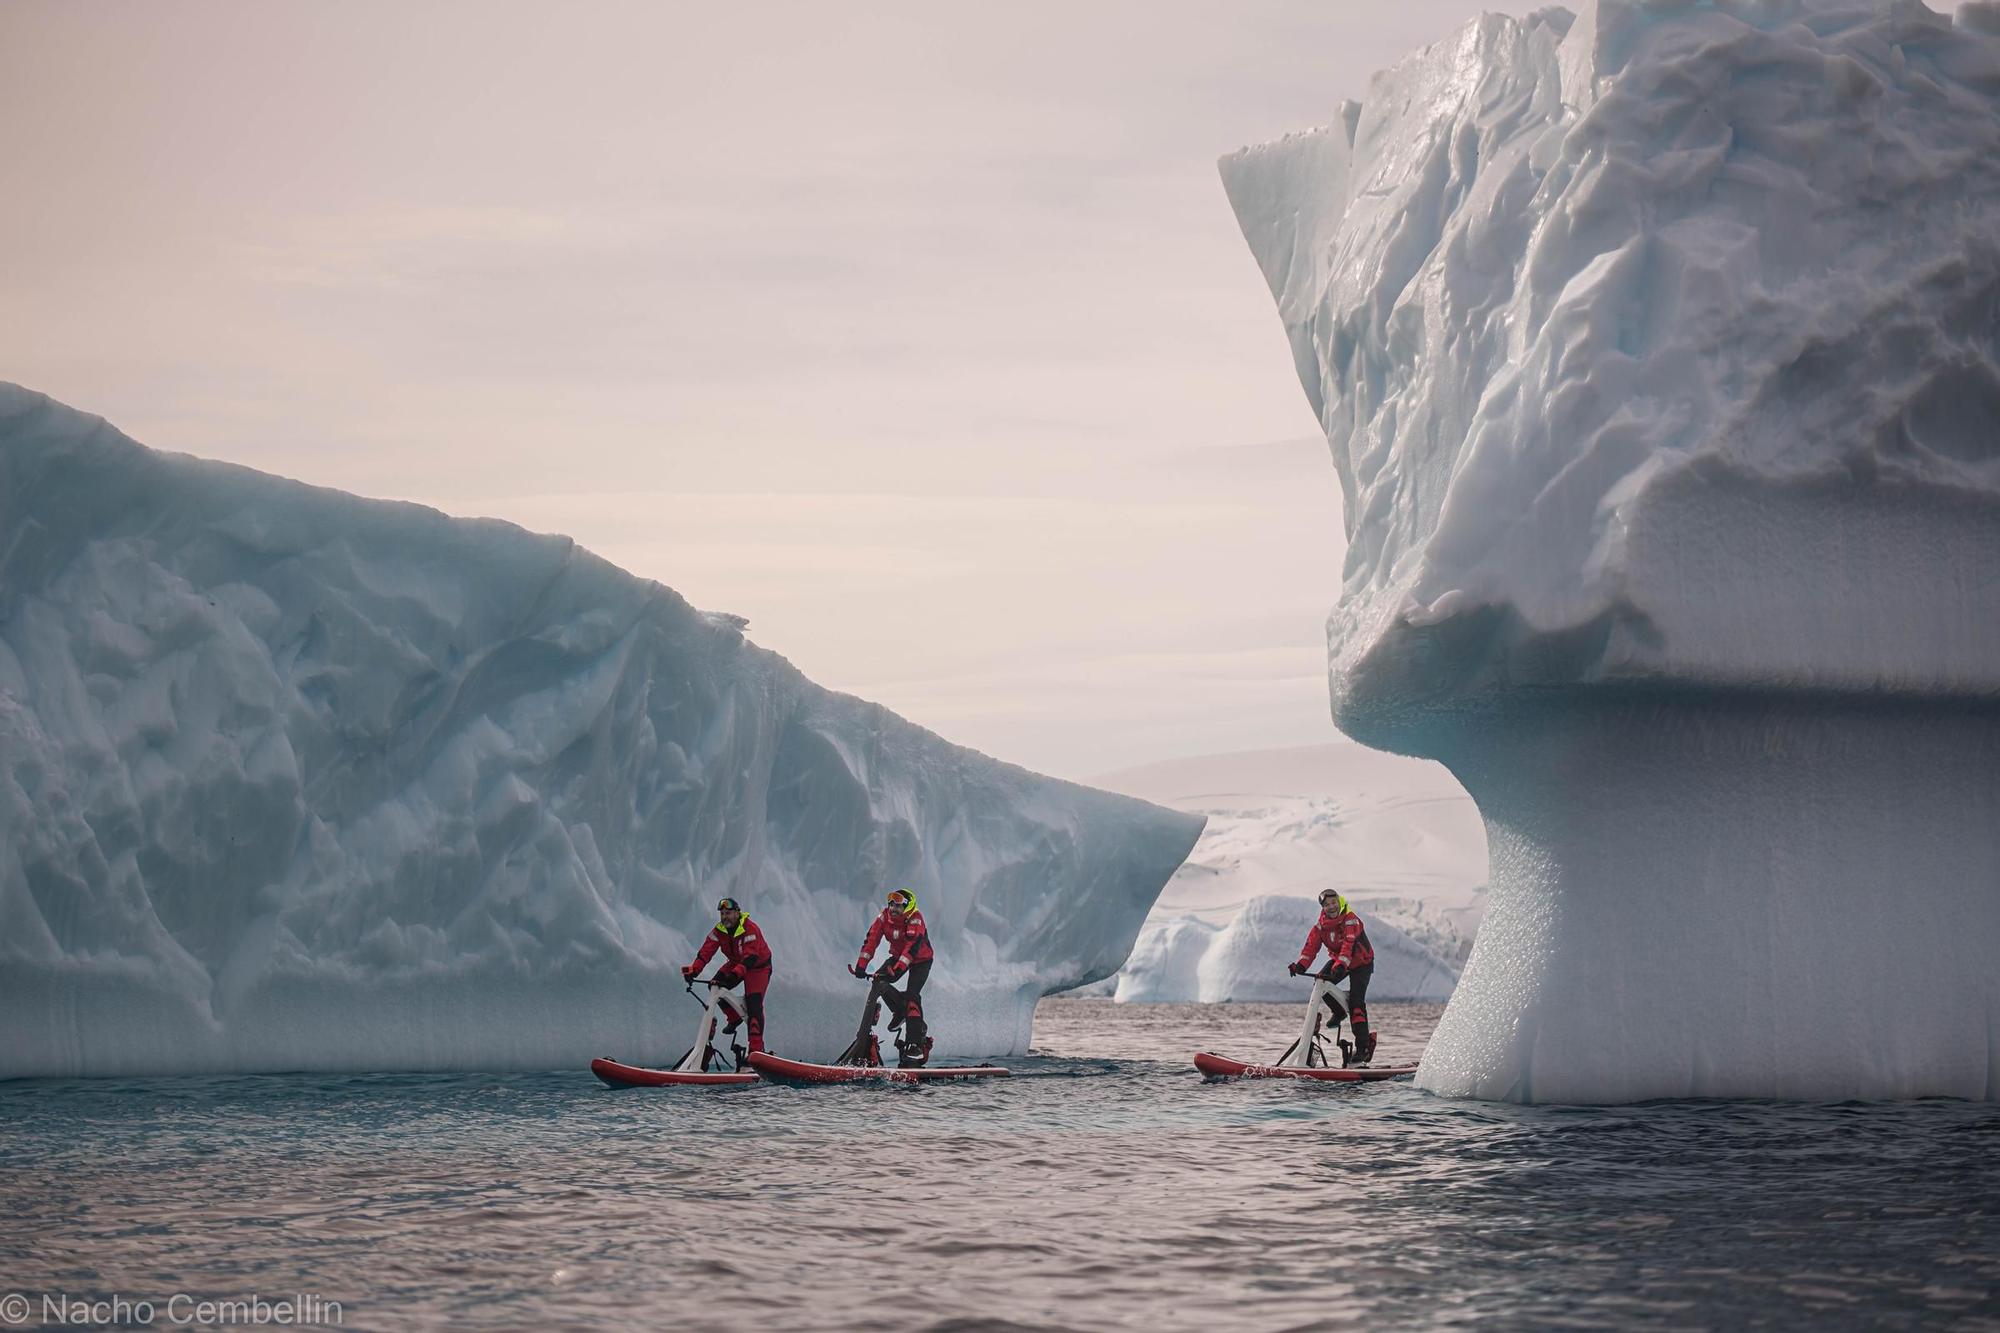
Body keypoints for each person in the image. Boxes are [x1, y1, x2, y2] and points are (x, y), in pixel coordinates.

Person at [1289, 888, 1377, 1065]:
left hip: (1361, 963)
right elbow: (1310, 949)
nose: (1332, 907)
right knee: (1320, 982)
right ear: (1323, 907)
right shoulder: (1320, 927)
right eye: (1327, 904)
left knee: (1356, 1004)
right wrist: (1300, 965)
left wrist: (1340, 966)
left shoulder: (1350, 919)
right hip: (1341, 962)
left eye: (1334, 902)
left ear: (1339, 901)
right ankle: (1338, 1012)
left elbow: (1348, 945)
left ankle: (1362, 1049)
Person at [852, 888, 934, 1066]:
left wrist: (898, 969)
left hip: (920, 960)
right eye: (891, 903)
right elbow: (872, 939)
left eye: (898, 905)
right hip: (898, 957)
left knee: (913, 996)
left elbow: (912, 948)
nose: (893, 908)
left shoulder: (915, 918)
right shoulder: (884, 917)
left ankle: (915, 1046)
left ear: (908, 907)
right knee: (878, 981)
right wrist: (861, 965)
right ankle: (896, 1013)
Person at [683, 896, 773, 1056]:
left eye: (728, 913)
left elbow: (750, 957)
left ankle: (756, 1053)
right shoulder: (719, 931)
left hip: (757, 967)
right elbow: (705, 952)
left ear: (737, 913)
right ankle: (734, 1017)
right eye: (722, 913)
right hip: (736, 962)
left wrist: (734, 975)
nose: (725, 917)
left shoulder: (750, 928)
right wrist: (694, 970)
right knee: (715, 987)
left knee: (754, 1006)